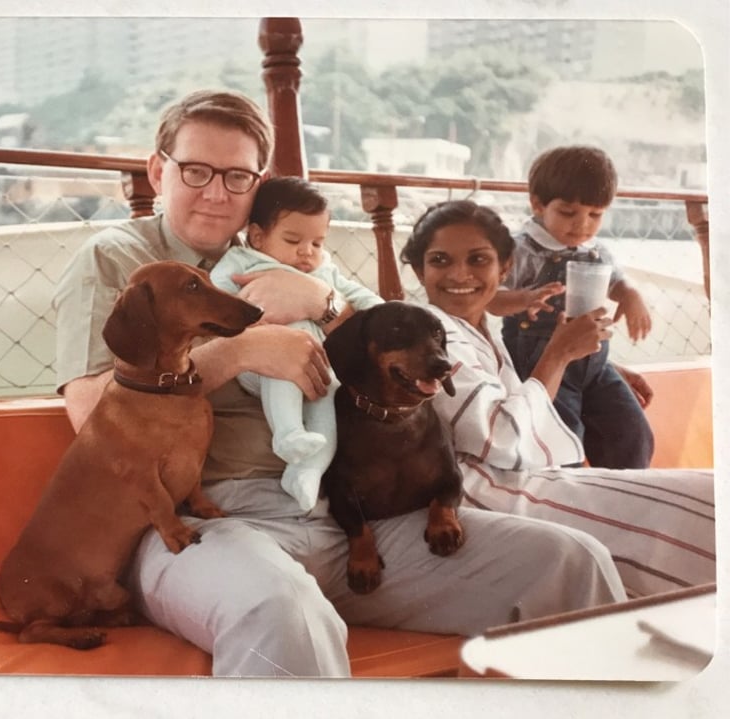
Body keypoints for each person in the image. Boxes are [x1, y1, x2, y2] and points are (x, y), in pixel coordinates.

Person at [52, 89, 626, 677]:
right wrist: (239, 352)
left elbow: (393, 332)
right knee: (283, 610)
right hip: (201, 525)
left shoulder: (291, 251)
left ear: (260, 183)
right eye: (195, 170)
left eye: (237, 175)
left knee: (569, 561)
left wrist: (323, 303)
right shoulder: (118, 259)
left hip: (339, 513)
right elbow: (94, 416)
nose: (217, 192)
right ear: (158, 170)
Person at [400, 199, 715, 598]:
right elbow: (501, 437)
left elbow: (506, 396)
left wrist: (602, 365)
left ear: (506, 268)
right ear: (419, 270)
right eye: (441, 260)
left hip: (527, 480)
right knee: (700, 517)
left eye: (478, 259)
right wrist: (559, 353)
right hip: (486, 495)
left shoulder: (478, 332)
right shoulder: (428, 335)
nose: (459, 274)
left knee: (707, 492)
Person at [209, 176, 383, 511]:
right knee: (291, 343)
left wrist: (341, 302)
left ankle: (306, 471)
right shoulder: (242, 262)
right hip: (261, 365)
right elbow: (216, 297)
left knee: (327, 398)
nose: (307, 252)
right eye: (293, 239)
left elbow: (369, 304)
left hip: (316, 369)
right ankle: (287, 433)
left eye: (318, 243)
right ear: (258, 236)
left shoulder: (326, 273)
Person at [489, 145, 654, 469]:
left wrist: (630, 295)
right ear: (538, 204)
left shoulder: (596, 250)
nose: (582, 225)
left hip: (595, 363)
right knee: (562, 442)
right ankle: (572, 501)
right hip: (543, 363)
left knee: (632, 433)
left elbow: (616, 282)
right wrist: (524, 299)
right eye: (568, 213)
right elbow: (491, 299)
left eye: (595, 215)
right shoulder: (520, 249)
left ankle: (625, 498)